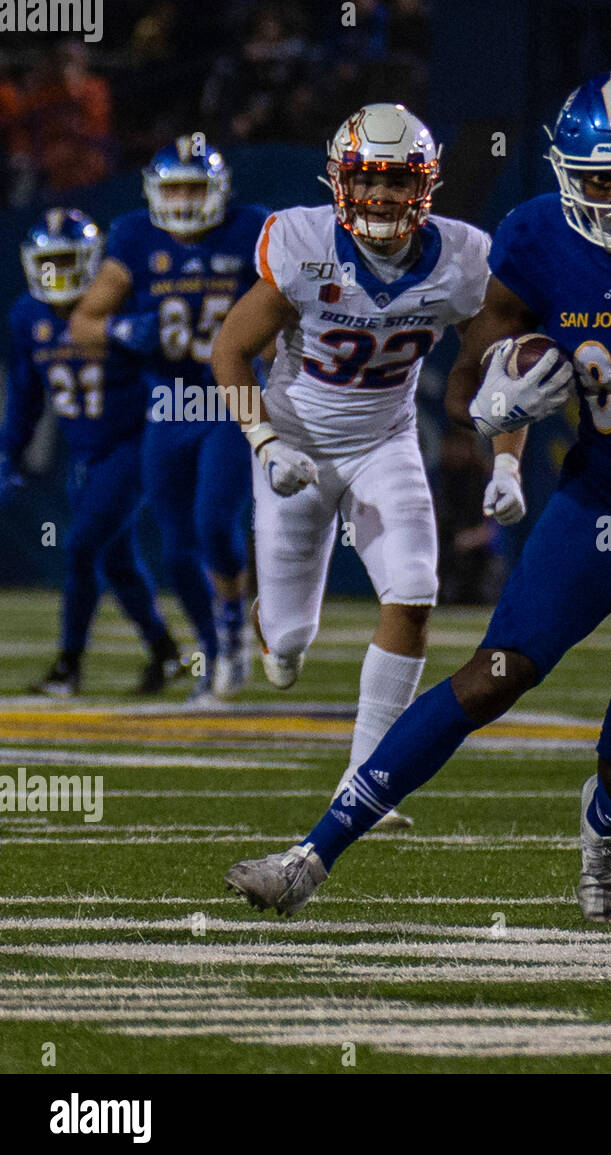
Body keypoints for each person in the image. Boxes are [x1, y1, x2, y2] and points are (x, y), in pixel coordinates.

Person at [223, 68, 611, 923]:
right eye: (599, 177)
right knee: (492, 674)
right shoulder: (534, 238)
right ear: (566, 172)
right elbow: (465, 380)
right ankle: (312, 854)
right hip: (598, 501)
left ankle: (606, 823)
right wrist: (493, 403)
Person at [211, 103, 491, 831]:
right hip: (296, 441)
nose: (382, 196)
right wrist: (266, 443)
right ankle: (270, 626)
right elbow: (228, 350)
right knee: (291, 646)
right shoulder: (302, 242)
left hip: (385, 441)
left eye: (399, 180)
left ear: (424, 186)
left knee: (416, 586)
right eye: (369, 179)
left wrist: (500, 413)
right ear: (341, 181)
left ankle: (365, 781)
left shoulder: (463, 259)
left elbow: (490, 351)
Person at [70, 136, 269, 703]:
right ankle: (218, 648)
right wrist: (122, 330)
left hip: (229, 402)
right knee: (177, 546)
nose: (183, 200)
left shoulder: (250, 227)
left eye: (195, 188)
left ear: (219, 192)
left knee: (214, 523)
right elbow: (84, 323)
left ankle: (233, 622)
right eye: (174, 187)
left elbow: (285, 307)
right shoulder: (134, 235)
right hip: (169, 405)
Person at [1, 209, 180, 696]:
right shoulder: (26, 316)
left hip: (135, 444)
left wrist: (138, 332)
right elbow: (24, 397)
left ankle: (67, 666)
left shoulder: (123, 304)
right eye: (49, 263)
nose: (57, 274)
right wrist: (8, 455)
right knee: (115, 559)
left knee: (81, 547)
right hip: (87, 455)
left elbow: (173, 359)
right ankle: (165, 654)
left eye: (67, 262)